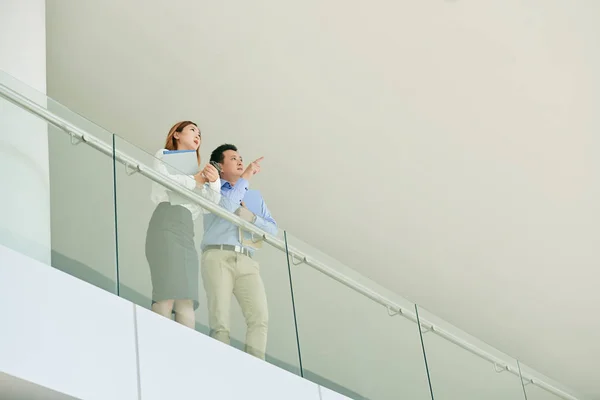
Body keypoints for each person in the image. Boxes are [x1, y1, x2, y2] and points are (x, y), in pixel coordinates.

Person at [201, 144, 277, 360]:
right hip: (218, 256)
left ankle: (255, 368)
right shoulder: (212, 188)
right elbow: (226, 206)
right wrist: (245, 177)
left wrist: (252, 218)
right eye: (233, 158)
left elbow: (272, 229)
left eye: (241, 158)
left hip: (247, 260)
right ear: (220, 166)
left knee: (259, 318)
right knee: (220, 321)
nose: (240, 161)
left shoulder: (253, 197)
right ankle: (221, 365)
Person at [145, 121, 221, 329]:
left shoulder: (198, 173)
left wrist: (213, 182)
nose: (198, 135)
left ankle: (187, 352)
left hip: (186, 231)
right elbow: (164, 180)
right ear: (176, 134)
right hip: (166, 221)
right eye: (192, 130)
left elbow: (209, 207)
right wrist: (195, 180)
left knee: (186, 298)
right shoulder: (164, 155)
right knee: (166, 292)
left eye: (200, 133)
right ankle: (159, 339)